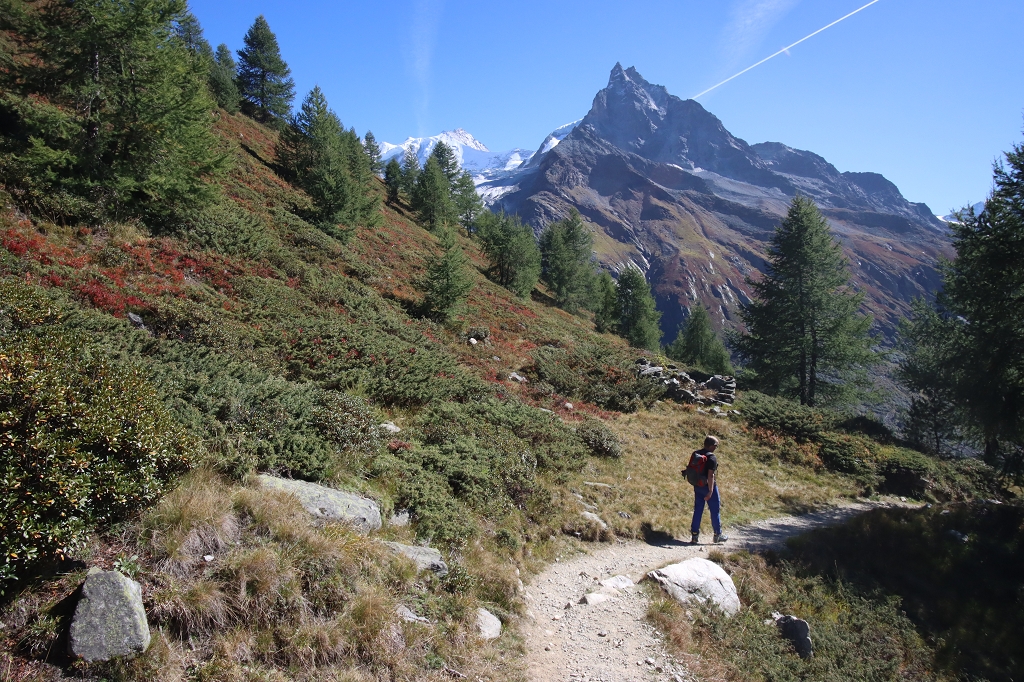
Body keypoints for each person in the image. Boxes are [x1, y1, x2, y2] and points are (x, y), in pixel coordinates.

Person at [689, 435, 728, 544]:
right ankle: (717, 535)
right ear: (711, 446)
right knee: (714, 511)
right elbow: (710, 476)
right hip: (708, 487)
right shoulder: (712, 457)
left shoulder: (696, 454)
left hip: (697, 486)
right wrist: (710, 491)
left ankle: (694, 536)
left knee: (698, 510)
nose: (716, 447)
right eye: (716, 445)